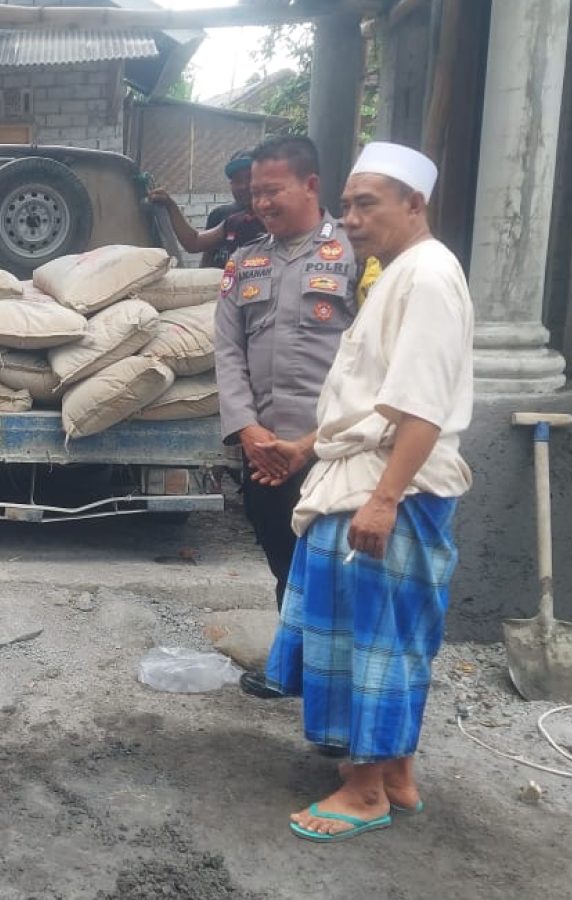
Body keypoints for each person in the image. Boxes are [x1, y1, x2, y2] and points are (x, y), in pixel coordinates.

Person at [254, 142, 474, 842]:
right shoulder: (402, 273)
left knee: (365, 644)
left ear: (416, 204)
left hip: (389, 491)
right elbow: (373, 399)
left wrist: (383, 498)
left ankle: (363, 790)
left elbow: (421, 409)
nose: (349, 217)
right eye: (346, 204)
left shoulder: (429, 277)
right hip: (367, 473)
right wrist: (306, 448)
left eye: (366, 202)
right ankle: (398, 776)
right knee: (395, 639)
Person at [212, 135, 360, 700]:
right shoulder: (244, 260)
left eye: (272, 190)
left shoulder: (353, 255)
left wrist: (310, 443)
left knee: (337, 565)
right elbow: (227, 351)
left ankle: (336, 682)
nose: (261, 203)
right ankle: (293, 666)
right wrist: (248, 430)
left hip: (334, 446)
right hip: (264, 446)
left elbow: (370, 359)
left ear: (310, 185)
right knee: (283, 558)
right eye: (255, 193)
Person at [148, 149, 265, 268]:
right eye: (237, 180)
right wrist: (170, 205)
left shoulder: (274, 222)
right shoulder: (232, 221)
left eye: (250, 179)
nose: (244, 186)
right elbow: (194, 243)